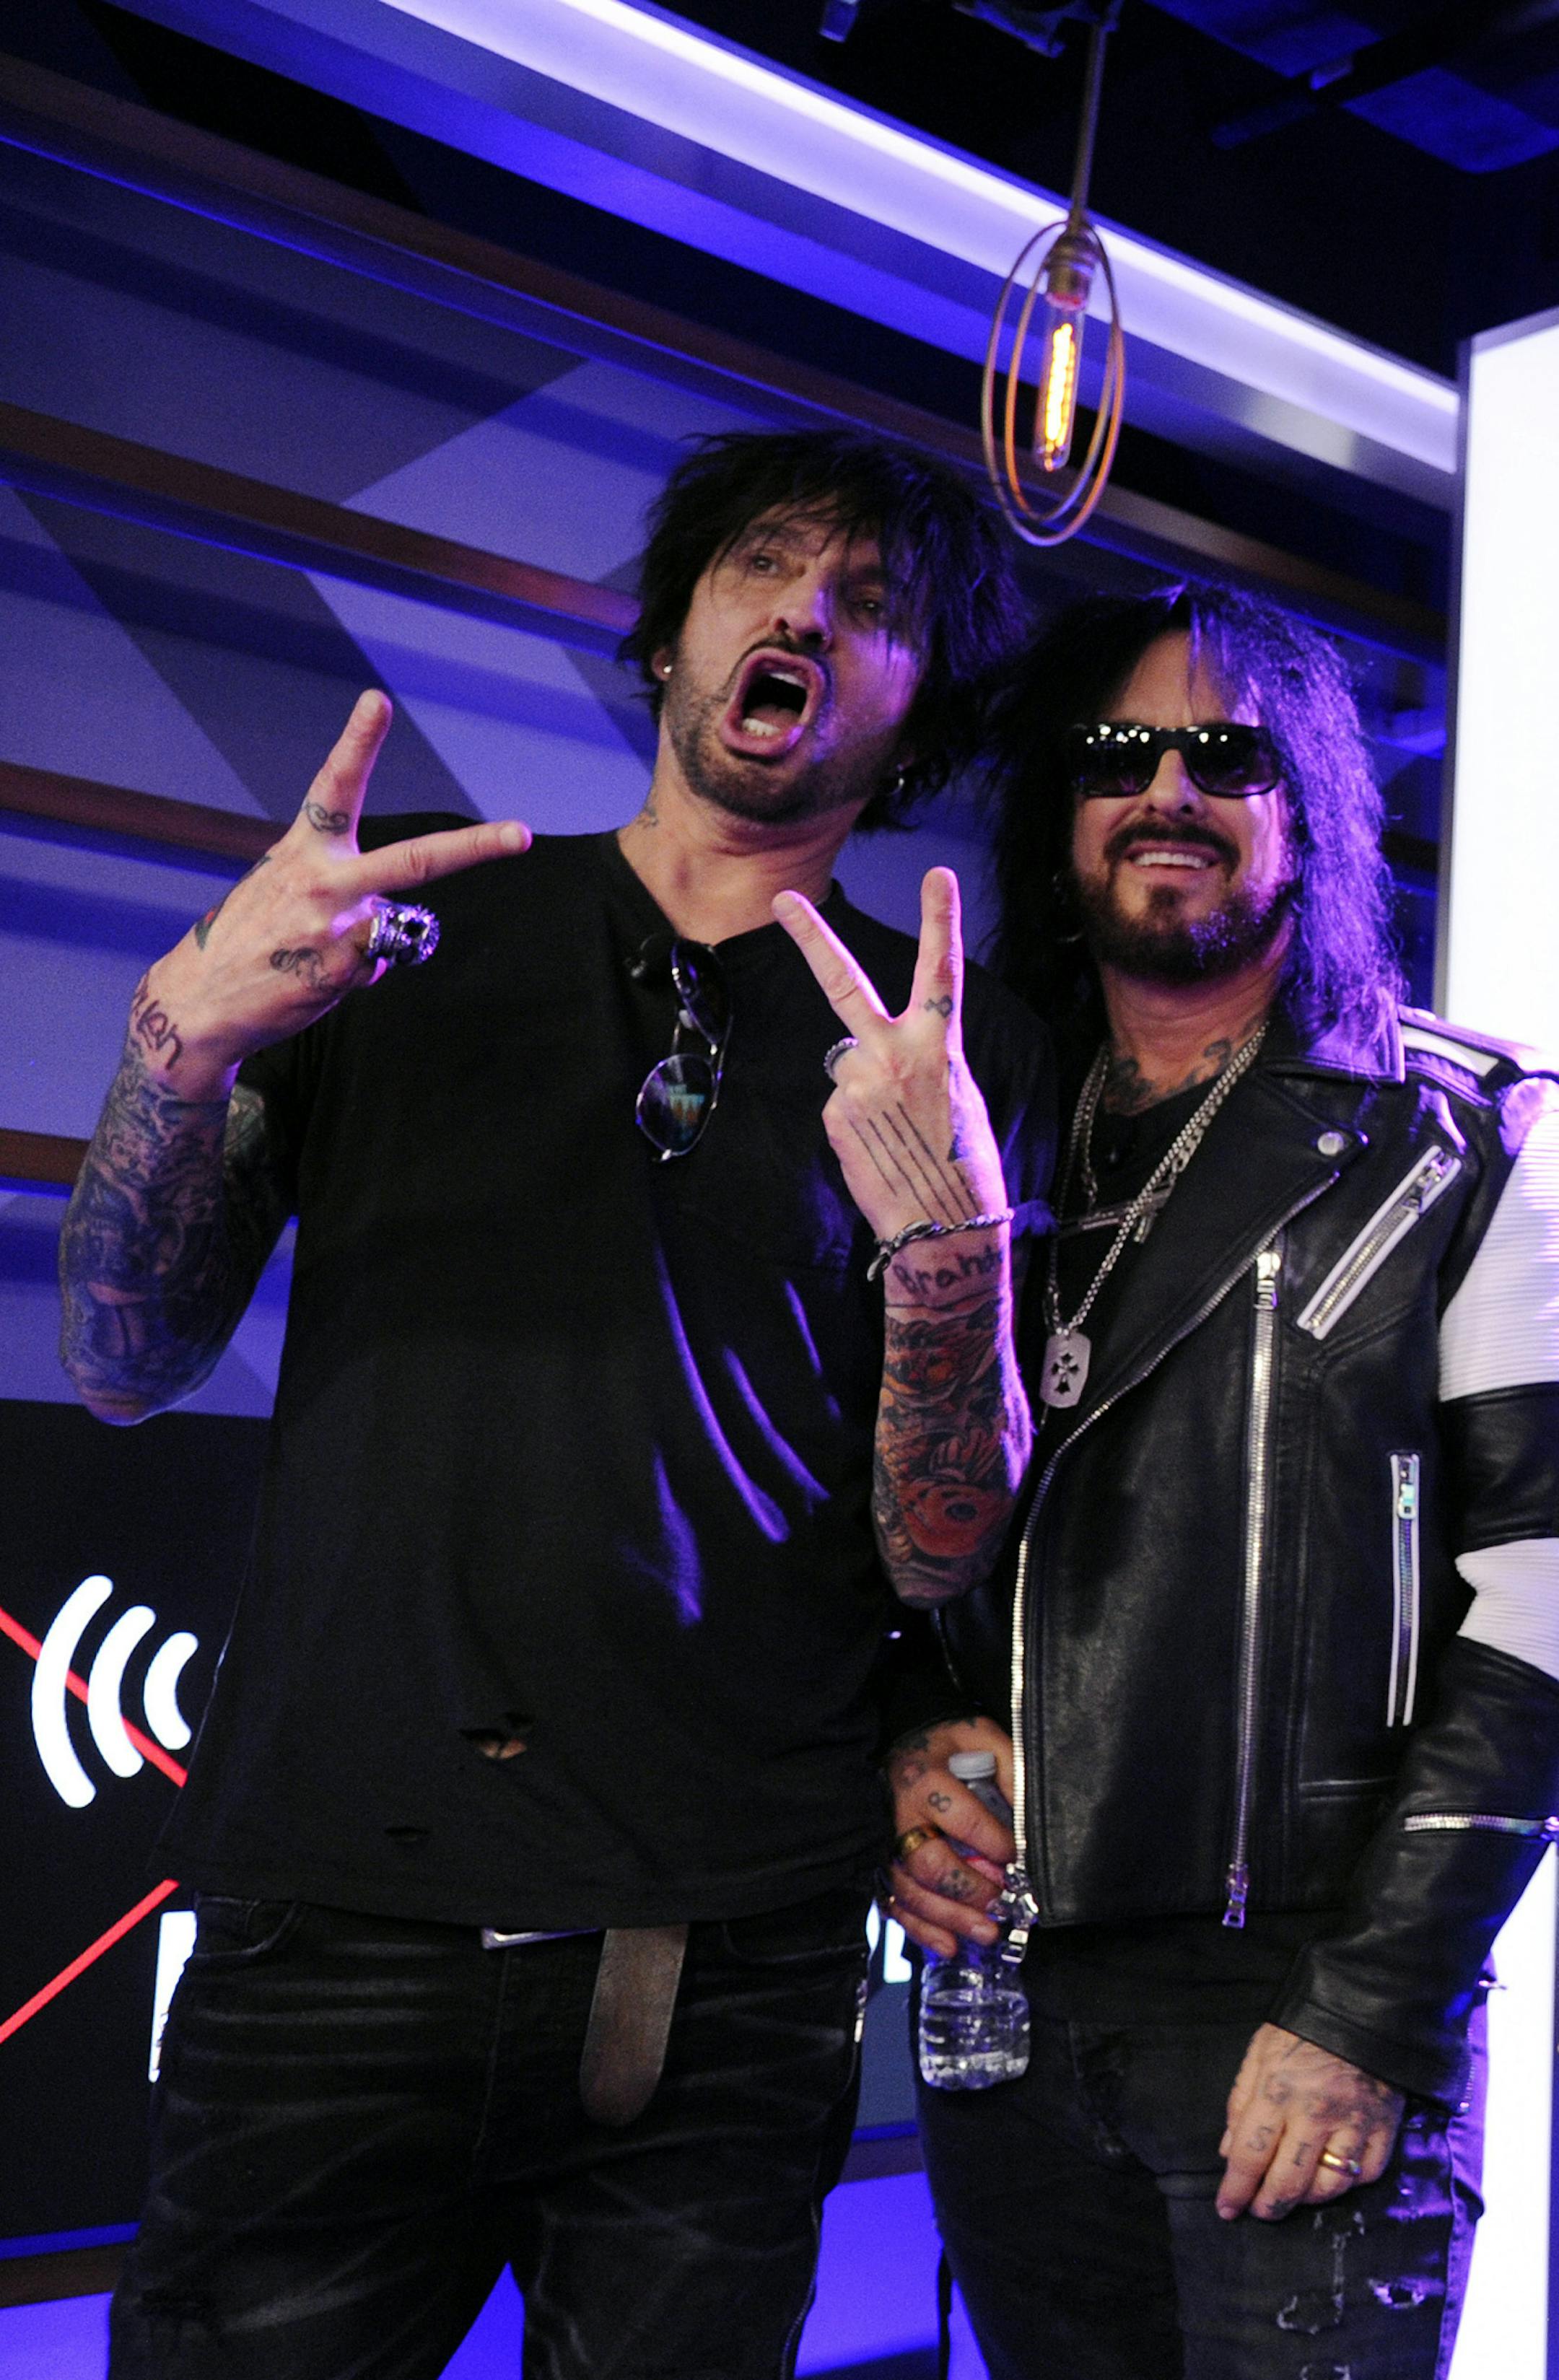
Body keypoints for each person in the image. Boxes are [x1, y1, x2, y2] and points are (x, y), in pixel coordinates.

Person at [58, 427, 1052, 2380]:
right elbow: (119, 1357)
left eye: (871, 608)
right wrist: (180, 1042)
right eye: (762, 570)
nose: (804, 615)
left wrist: (954, 1238)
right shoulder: (403, 941)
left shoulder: (954, 1044)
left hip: (733, 1954)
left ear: (914, 711)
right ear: (672, 635)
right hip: (333, 1922)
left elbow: (943, 1544)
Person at [885, 582, 1559, 2380]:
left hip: (1299, 2016)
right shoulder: (976, 1137)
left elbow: (1547, 1621)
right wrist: (903, 1747)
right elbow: (882, 1541)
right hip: (1005, 2014)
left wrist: (1370, 2008)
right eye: (1119, 752)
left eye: (1227, 751)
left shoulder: (1480, 1133)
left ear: (1313, 804)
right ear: (1059, 810)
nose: (1168, 786)